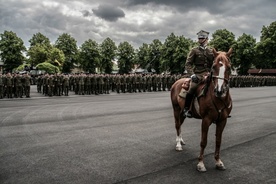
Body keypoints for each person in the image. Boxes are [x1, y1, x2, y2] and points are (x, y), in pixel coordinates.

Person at [183, 30, 214, 118]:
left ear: (206, 39)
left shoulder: (211, 51)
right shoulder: (194, 50)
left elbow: (213, 63)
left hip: (208, 74)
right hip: (198, 74)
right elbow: (188, 64)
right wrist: (192, 75)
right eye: (199, 38)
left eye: (202, 39)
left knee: (218, 87)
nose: (200, 40)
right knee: (192, 88)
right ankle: (186, 109)